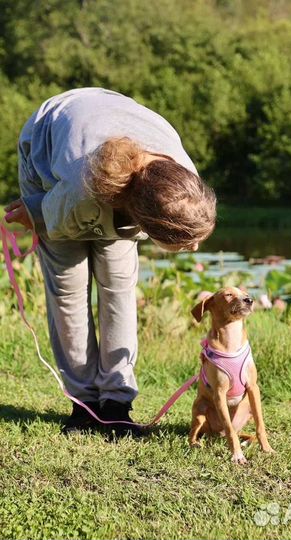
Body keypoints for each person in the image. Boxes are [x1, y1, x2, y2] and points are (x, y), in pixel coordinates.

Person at [5, 87, 216, 437]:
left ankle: (116, 405)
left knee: (118, 287)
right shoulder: (77, 189)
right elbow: (48, 211)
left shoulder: (182, 179)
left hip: (109, 132)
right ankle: (84, 406)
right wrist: (33, 212)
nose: (192, 250)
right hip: (52, 140)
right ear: (146, 221)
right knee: (68, 290)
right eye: (185, 242)